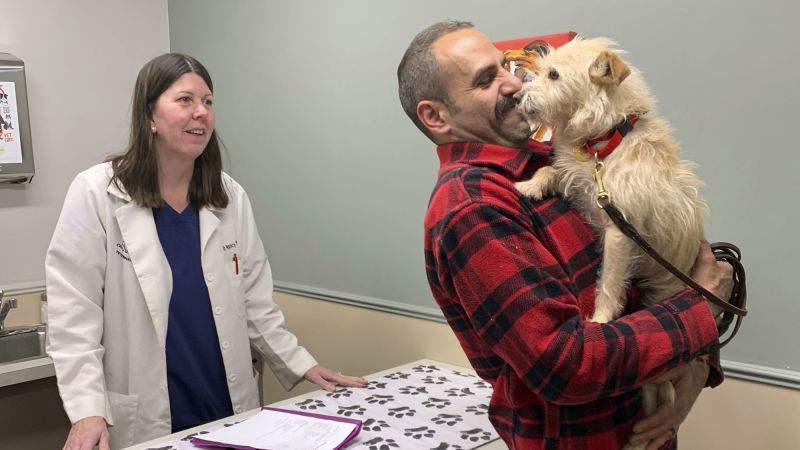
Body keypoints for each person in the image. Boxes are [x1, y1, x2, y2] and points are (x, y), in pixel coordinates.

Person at [397, 21, 733, 450]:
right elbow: (566, 364)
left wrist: (698, 365)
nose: (515, 85)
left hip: (646, 430)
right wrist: (701, 313)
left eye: (505, 67)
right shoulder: (474, 208)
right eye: (486, 80)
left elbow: (675, 258)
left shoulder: (565, 158)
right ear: (435, 116)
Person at [46, 53, 367, 450]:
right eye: (185, 100)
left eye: (208, 102)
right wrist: (87, 411)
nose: (201, 113)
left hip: (226, 405)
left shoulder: (228, 196)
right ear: (150, 116)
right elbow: (73, 317)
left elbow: (255, 304)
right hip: (148, 414)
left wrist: (303, 363)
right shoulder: (98, 194)